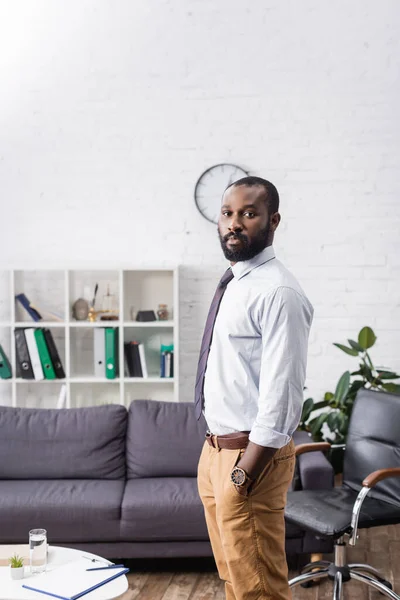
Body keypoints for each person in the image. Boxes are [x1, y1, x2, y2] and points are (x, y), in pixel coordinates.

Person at [195, 176, 314, 600]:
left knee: (259, 590)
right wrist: (214, 461)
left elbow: (282, 397)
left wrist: (244, 473)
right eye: (228, 213)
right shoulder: (235, 283)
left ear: (272, 221)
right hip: (215, 453)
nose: (234, 223)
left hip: (249, 458)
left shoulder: (279, 292)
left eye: (248, 213)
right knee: (235, 579)